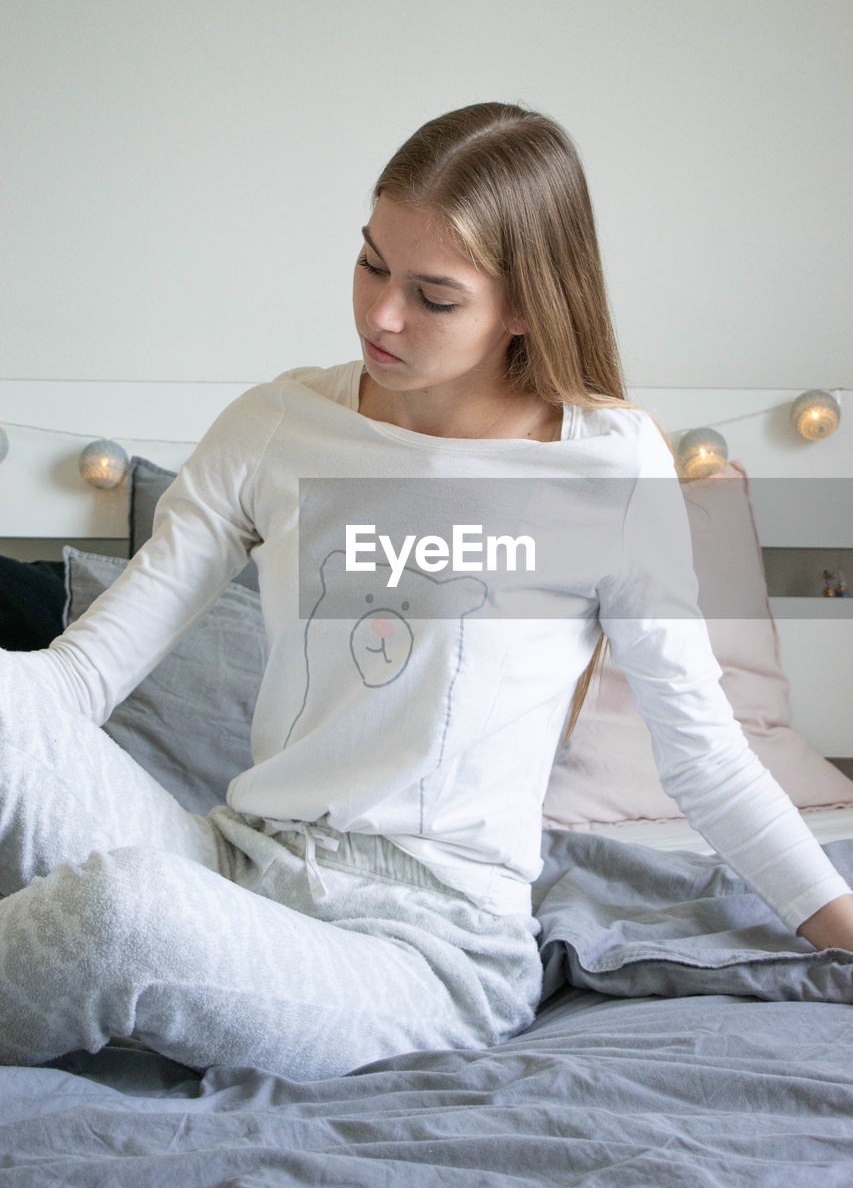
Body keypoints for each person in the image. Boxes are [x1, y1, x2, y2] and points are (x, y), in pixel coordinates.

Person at [1, 101, 851, 1080]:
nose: (380, 315)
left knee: (124, 914)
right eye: (370, 263)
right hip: (235, 859)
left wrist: (838, 921)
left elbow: (704, 755)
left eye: (432, 295)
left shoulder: (609, 466)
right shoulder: (280, 422)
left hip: (425, 952)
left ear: (525, 302)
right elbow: (77, 682)